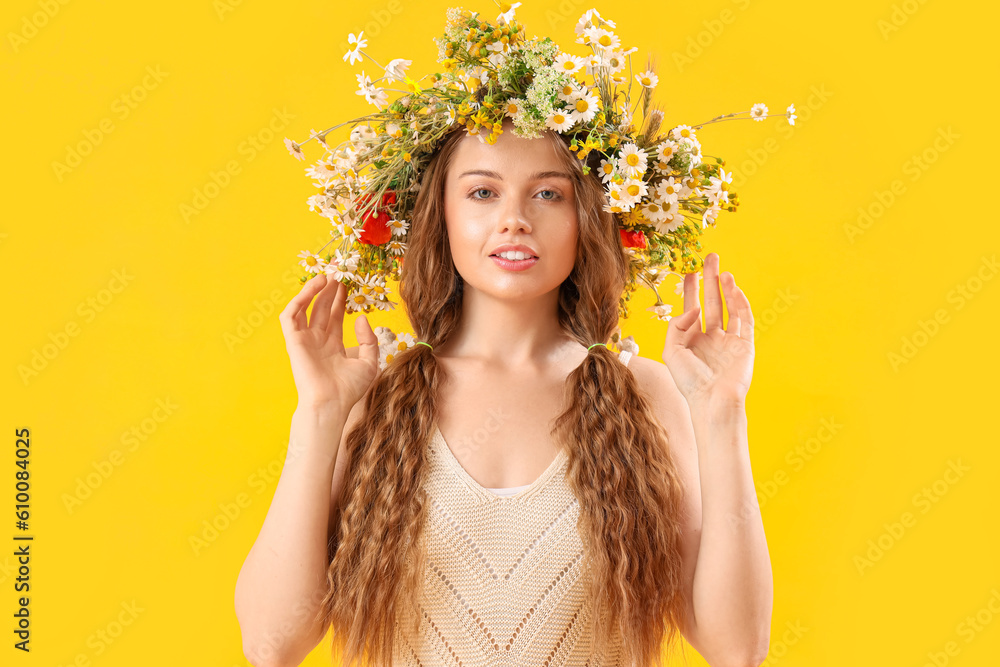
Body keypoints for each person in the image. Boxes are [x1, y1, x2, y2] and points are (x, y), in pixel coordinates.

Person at [235, 117, 772, 667]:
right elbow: (271, 644)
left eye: (547, 193)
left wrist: (722, 416)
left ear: (585, 217)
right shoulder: (374, 399)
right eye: (483, 192)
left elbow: (736, 649)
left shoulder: (645, 393)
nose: (514, 220)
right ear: (439, 215)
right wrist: (319, 415)